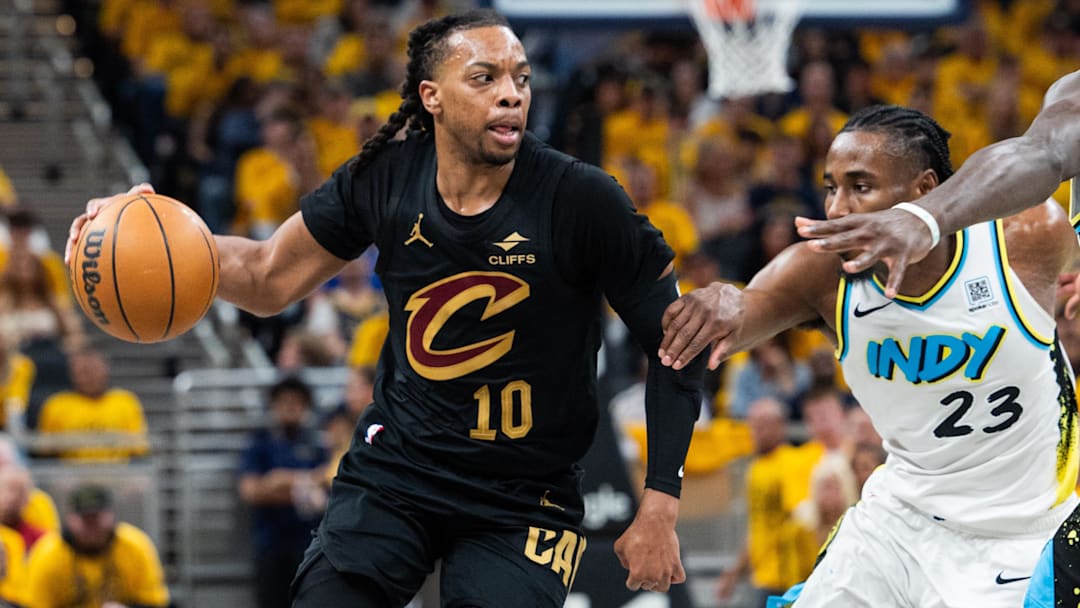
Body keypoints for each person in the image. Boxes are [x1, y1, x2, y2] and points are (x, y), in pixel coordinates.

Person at [67, 10, 705, 607]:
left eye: (520, 78)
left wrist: (660, 503)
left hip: (525, 494)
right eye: (484, 78)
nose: (511, 93)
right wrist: (155, 244)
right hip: (399, 469)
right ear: (431, 97)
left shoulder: (582, 199)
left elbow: (677, 342)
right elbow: (265, 275)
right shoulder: (384, 178)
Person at [658, 104, 1079, 606]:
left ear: (923, 189)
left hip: (1019, 533)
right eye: (831, 187)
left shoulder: (1019, 239)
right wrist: (724, 300)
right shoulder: (823, 275)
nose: (837, 209)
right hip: (897, 521)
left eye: (860, 187)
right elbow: (745, 310)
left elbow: (1058, 129)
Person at [238, 376, 328, 608]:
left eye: (296, 402)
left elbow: (329, 485)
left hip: (311, 546)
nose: (290, 408)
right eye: (284, 402)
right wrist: (304, 486)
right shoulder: (260, 444)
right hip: (271, 545)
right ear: (273, 405)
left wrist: (280, 480)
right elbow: (251, 491)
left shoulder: (317, 445)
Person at [25, 484, 169, 608]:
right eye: (85, 520)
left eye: (97, 519)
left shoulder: (135, 546)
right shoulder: (47, 553)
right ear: (70, 520)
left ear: (111, 516)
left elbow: (156, 602)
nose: (92, 527)